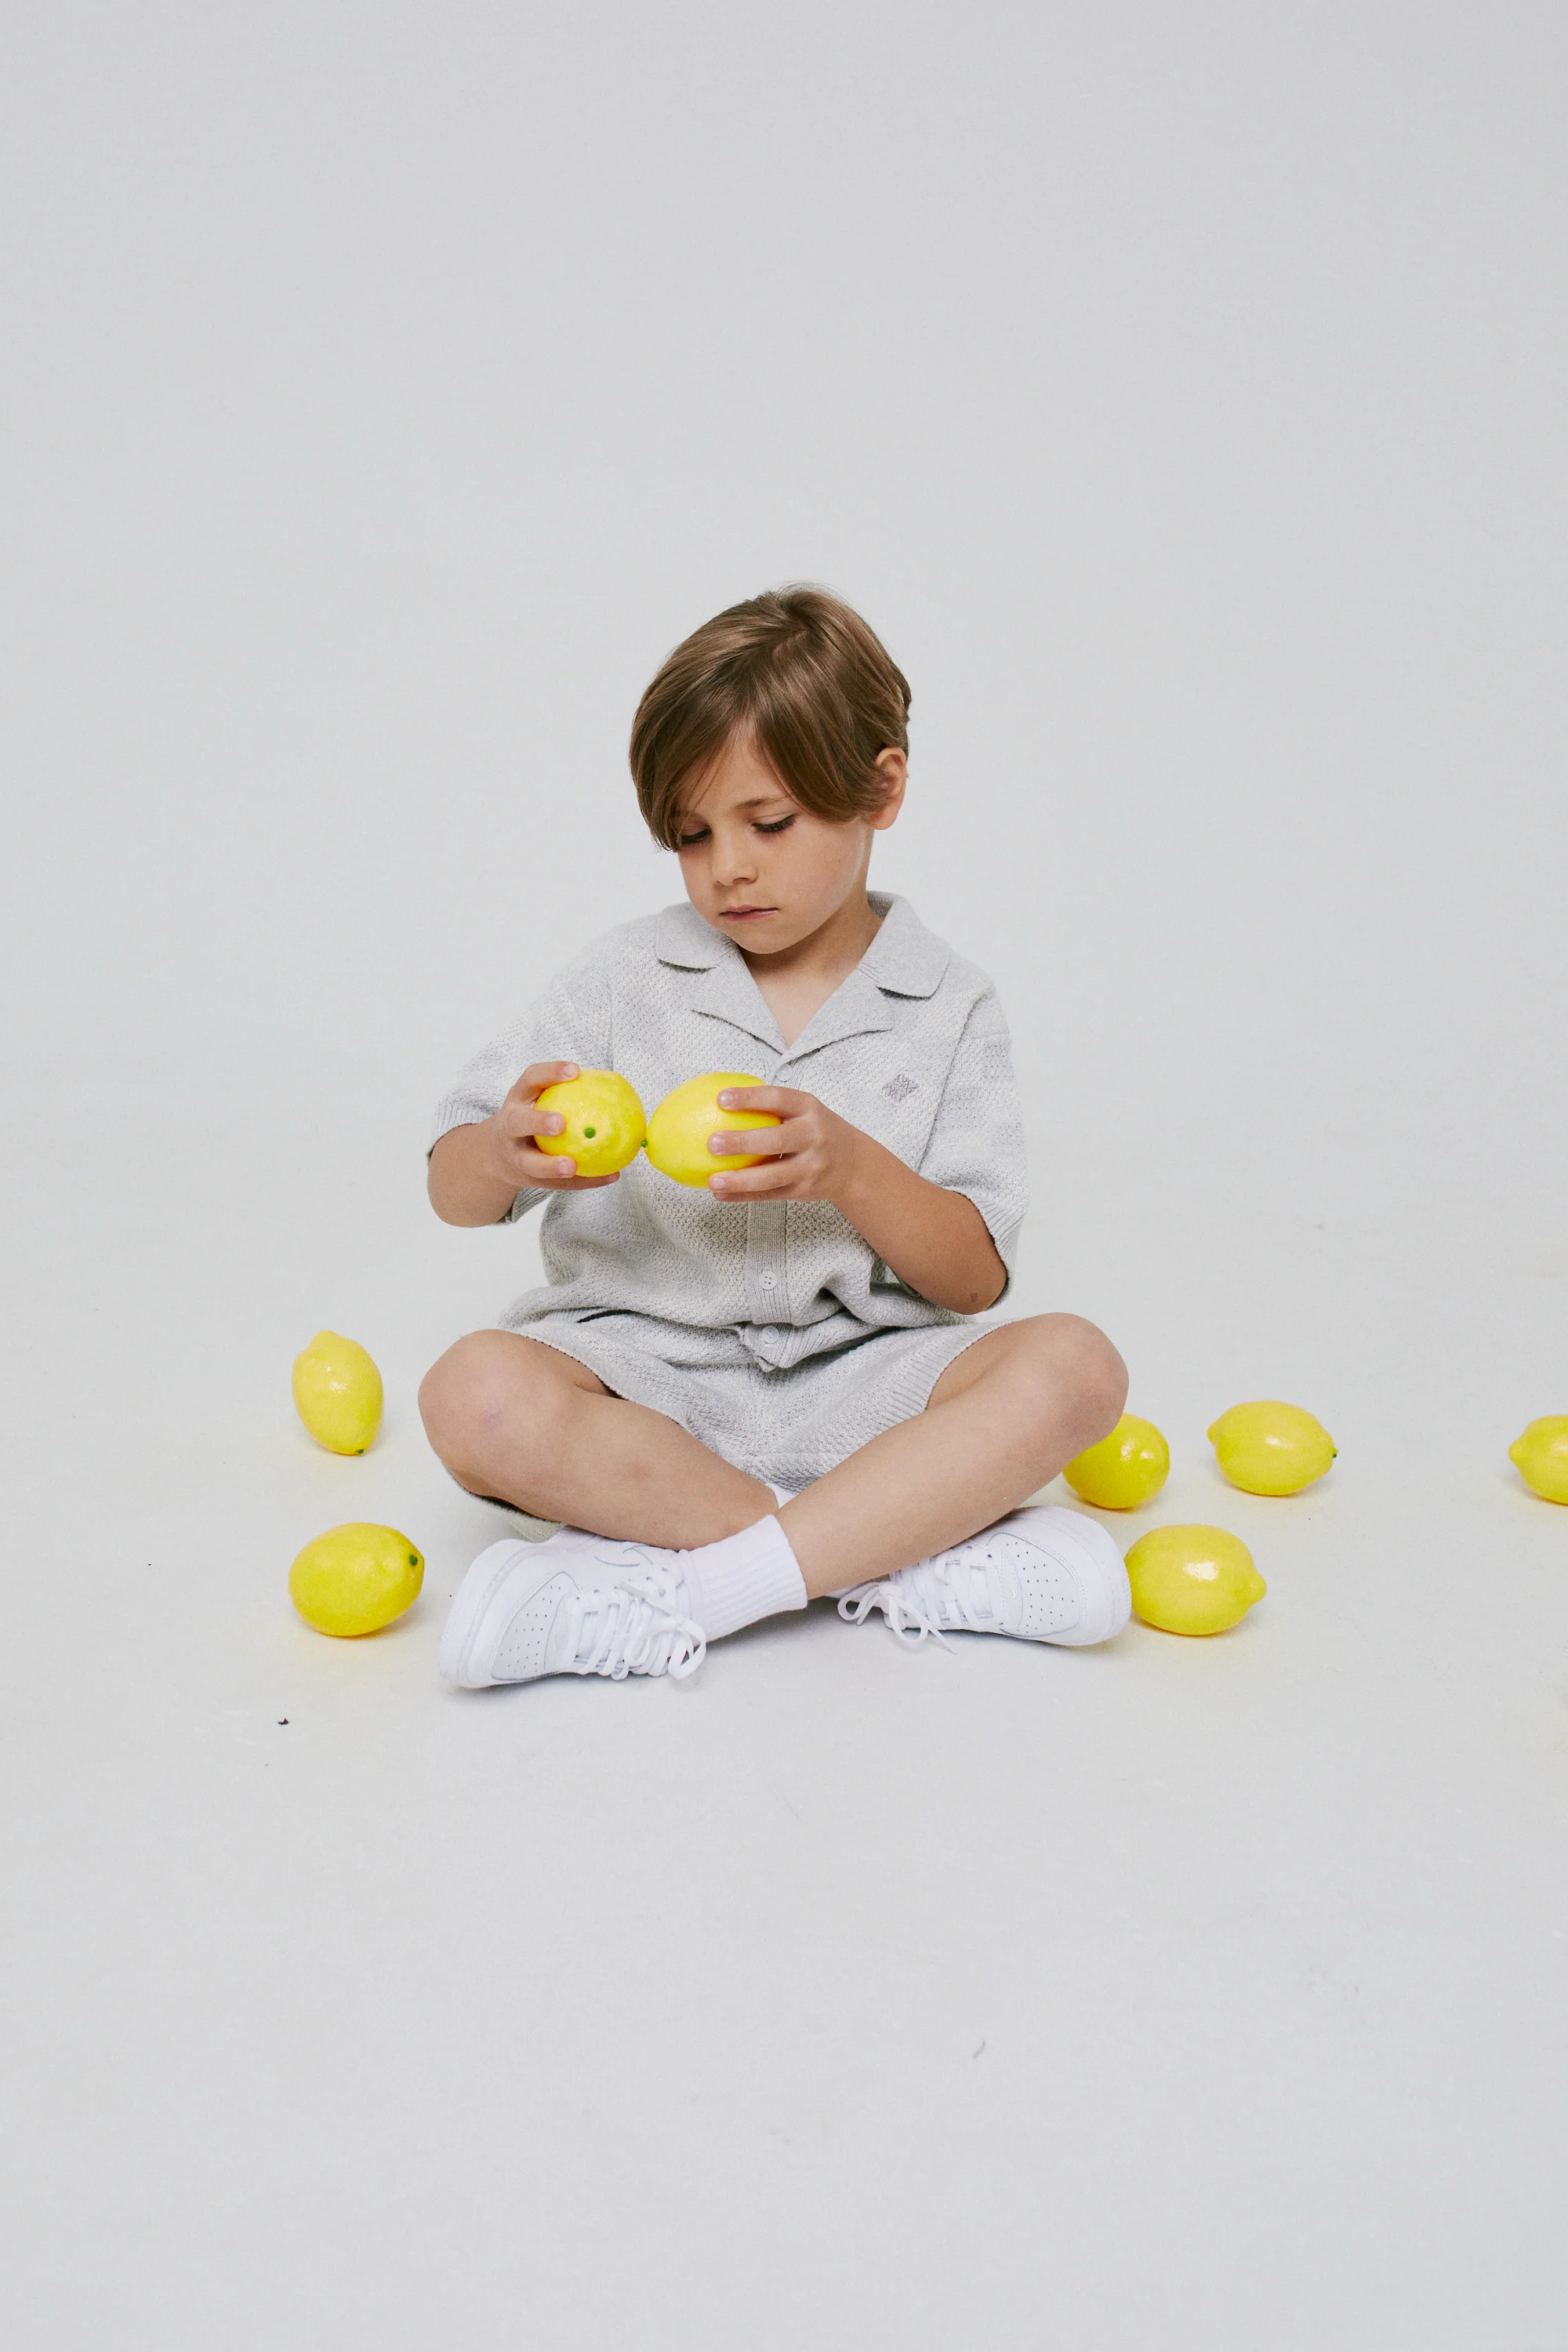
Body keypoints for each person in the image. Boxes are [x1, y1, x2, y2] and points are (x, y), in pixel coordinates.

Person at [419, 587, 1131, 1688]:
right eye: (692, 837)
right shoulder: (624, 977)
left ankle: (698, 1590)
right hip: (648, 1381)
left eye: (770, 823)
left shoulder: (949, 1001)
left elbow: (975, 1276)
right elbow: (453, 1190)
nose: (728, 871)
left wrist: (849, 1165)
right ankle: (888, 1554)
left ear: (881, 788)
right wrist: (503, 1150)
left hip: (871, 1383)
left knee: (1077, 1366)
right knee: (472, 1394)